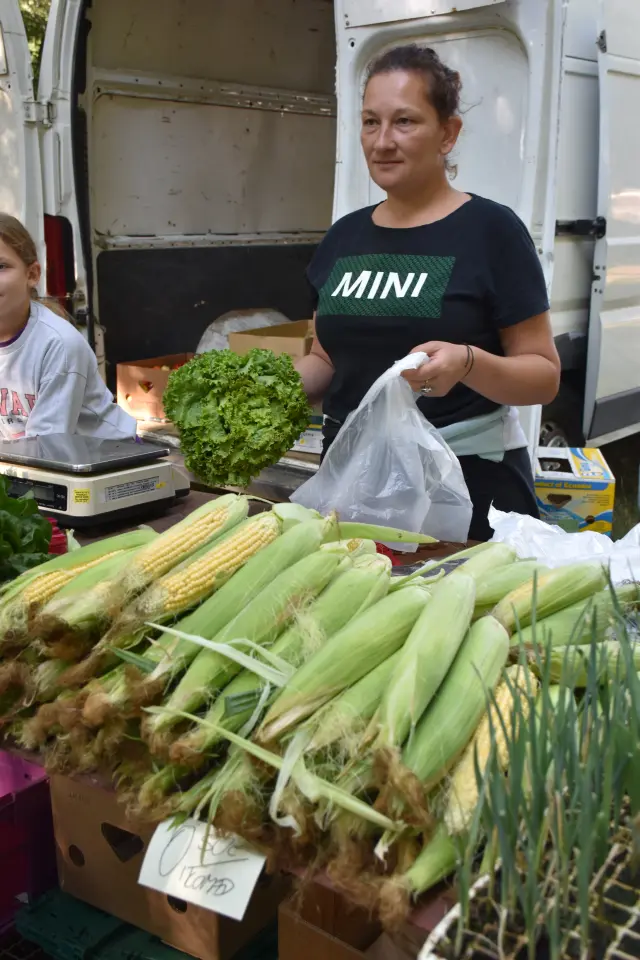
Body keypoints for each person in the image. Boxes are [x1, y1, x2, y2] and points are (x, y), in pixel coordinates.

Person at [296, 44, 560, 541]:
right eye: (370, 122)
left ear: (448, 133)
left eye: (405, 122)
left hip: (463, 489)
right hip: (352, 486)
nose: (382, 141)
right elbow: (327, 359)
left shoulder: (490, 230)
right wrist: (271, 391)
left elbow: (543, 376)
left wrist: (467, 362)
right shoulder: (343, 238)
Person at [0, 214, 136, 441]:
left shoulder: (58, 345)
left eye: (1, 266)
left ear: (32, 274)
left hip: (109, 460)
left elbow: (46, 444)